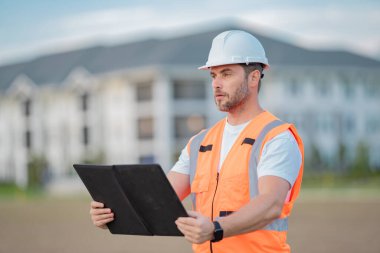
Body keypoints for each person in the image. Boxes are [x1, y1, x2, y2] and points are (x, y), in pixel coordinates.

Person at [90, 30, 304, 253]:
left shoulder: (276, 137)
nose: (216, 84)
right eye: (213, 76)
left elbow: (271, 204)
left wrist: (215, 229)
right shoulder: (200, 143)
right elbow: (157, 200)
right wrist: (113, 212)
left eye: (227, 74)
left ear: (254, 77)